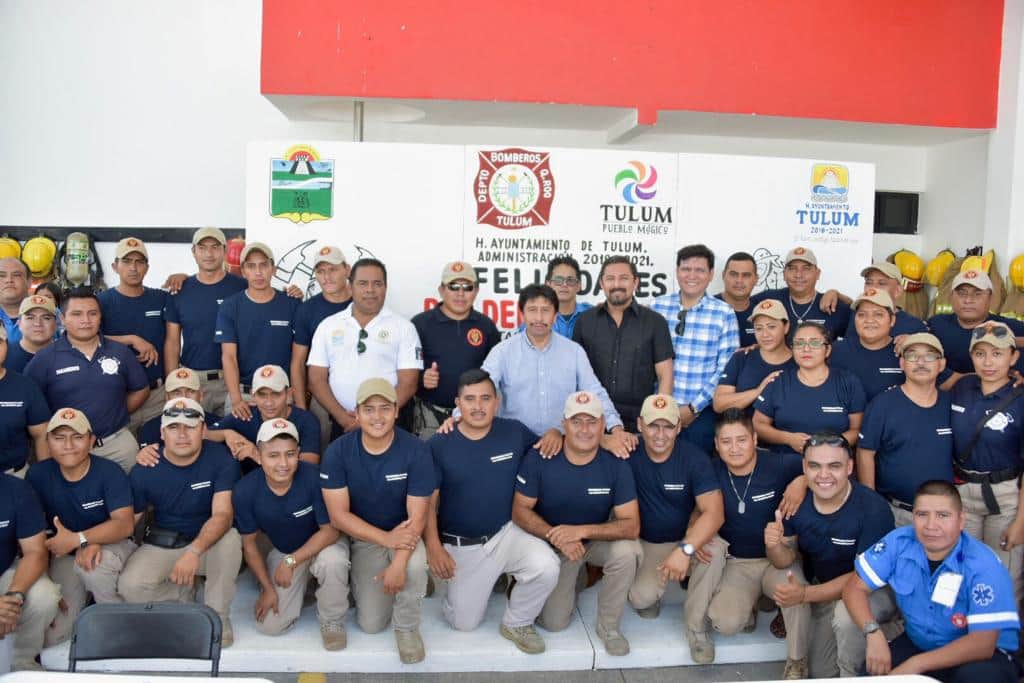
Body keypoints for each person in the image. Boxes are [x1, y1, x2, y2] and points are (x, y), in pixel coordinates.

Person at [424, 369, 559, 653]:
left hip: (506, 533)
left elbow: (547, 450)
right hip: (463, 545)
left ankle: (517, 622)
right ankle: (451, 586)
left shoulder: (513, 432)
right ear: (457, 404)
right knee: (464, 623)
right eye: (470, 399)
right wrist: (434, 548)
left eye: (485, 398)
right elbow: (427, 502)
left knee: (546, 565)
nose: (478, 406)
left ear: (496, 402)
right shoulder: (439, 443)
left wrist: (555, 432)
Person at [845, 480, 1020, 682]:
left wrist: (917, 664)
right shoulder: (899, 542)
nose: (930, 525)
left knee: (976, 678)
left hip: (980, 655)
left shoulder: (983, 565)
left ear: (961, 520)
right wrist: (873, 633)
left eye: (943, 515)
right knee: (870, 675)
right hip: (920, 643)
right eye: (922, 514)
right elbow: (854, 588)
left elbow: (982, 644)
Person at [512, 391, 642, 656]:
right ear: (563, 424)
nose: (585, 429)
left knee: (629, 552)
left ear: (603, 423)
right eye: (576, 421)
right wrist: (557, 536)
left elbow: (631, 526)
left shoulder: (616, 464)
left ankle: (609, 627)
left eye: (592, 421)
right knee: (554, 623)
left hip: (592, 541)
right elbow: (520, 511)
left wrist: (581, 532)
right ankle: (557, 578)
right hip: (553, 545)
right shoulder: (542, 456)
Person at [319, 378, 434, 664]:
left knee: (415, 565)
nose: (377, 417)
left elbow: (418, 516)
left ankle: (407, 625)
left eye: (385, 408)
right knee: (371, 624)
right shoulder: (338, 451)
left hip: (404, 533)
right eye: (368, 409)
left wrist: (398, 563)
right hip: (364, 537)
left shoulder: (416, 450)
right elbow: (338, 515)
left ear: (396, 411)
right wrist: (384, 540)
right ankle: (366, 585)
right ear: (356, 414)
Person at [764, 432, 896, 678]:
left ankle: (886, 637)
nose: (823, 475)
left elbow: (860, 580)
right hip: (825, 589)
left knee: (846, 618)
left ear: (849, 467)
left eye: (833, 466)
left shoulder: (873, 509)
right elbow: (784, 559)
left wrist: (804, 594)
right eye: (814, 466)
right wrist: (774, 545)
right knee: (820, 671)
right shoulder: (796, 502)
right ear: (804, 468)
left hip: (872, 590)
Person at [118, 398, 242, 647]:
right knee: (130, 587)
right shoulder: (145, 468)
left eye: (190, 426)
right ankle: (182, 594)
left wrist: (194, 552)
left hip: (207, 546)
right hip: (165, 543)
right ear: (162, 433)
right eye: (174, 427)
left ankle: (217, 616)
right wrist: (85, 540)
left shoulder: (221, 459)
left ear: (203, 430)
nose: (182, 434)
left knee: (230, 539)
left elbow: (223, 515)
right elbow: (128, 523)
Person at [700, 409, 807, 679]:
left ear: (755, 438)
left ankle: (797, 660)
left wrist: (803, 481)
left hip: (777, 558)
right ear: (716, 445)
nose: (734, 448)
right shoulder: (710, 470)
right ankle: (755, 602)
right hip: (738, 563)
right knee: (724, 623)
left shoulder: (779, 464)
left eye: (741, 440)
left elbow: (823, 466)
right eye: (726, 442)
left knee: (796, 592)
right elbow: (698, 509)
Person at [625, 394, 725, 664]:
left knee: (715, 548)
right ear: (640, 424)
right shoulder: (628, 454)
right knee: (641, 599)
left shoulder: (693, 457)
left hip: (686, 539)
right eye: (653, 425)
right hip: (651, 543)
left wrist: (687, 547)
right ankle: (662, 586)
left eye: (668, 426)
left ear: (679, 427)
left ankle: (697, 629)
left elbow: (714, 512)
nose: (660, 434)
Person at [233, 418, 349, 649]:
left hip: (322, 546)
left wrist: (291, 561)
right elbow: (249, 544)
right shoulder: (245, 490)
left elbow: (331, 532)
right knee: (270, 626)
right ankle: (309, 586)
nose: (283, 463)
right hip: (285, 549)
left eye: (289, 454)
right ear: (258, 455)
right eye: (273, 455)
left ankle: (332, 619)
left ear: (298, 453)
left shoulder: (315, 476)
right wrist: (267, 588)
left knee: (332, 562)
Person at [480, 283, 632, 457]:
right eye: (532, 310)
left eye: (545, 310)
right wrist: (458, 419)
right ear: (522, 314)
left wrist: (616, 427)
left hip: (562, 446)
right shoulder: (502, 351)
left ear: (555, 316)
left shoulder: (573, 351)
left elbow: (594, 391)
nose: (539, 317)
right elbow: (481, 389)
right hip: (514, 445)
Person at [25, 408, 135, 647]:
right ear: (48, 442)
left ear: (91, 441)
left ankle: (121, 631)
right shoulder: (37, 475)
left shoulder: (109, 471)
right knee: (55, 636)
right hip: (65, 553)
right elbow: (32, 536)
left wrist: (81, 539)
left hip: (109, 544)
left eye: (77, 437)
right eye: (59, 437)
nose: (68, 445)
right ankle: (85, 600)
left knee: (93, 569)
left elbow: (125, 524)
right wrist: (46, 580)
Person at [25, 287, 150, 472]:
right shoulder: (45, 359)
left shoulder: (120, 352)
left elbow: (141, 389)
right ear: (63, 319)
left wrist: (114, 412)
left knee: (132, 494)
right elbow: (29, 403)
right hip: (67, 449)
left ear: (100, 318)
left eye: (92, 313)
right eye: (77, 314)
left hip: (116, 443)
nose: (85, 320)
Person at [949, 321, 1024, 600]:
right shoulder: (962, 387)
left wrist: (1021, 521)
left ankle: (1002, 642)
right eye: (980, 354)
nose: (988, 362)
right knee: (963, 570)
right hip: (963, 494)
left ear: (1013, 357)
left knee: (1004, 574)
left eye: (997, 353)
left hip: (1005, 497)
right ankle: (969, 639)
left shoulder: (1020, 397)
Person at [308, 258, 422, 438]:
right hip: (342, 424)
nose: (370, 290)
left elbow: (408, 384)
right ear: (351, 286)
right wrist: (345, 419)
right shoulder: (328, 326)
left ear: (386, 287)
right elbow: (316, 379)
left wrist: (376, 418)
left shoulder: (404, 328)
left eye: (377, 283)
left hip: (388, 425)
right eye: (363, 283)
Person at [857, 333, 954, 526]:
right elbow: (865, 453)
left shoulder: (951, 404)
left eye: (929, 356)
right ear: (902, 363)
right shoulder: (882, 405)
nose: (920, 362)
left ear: (942, 364)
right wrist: (871, 505)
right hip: (897, 512)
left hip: (944, 514)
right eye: (912, 355)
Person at [652, 244, 739, 453]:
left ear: (710, 275)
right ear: (677, 271)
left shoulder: (723, 313)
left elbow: (726, 369)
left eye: (699, 270)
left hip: (701, 414)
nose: (692, 275)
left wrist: (693, 408)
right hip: (656, 411)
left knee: (696, 474)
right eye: (686, 269)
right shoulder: (657, 307)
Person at [573, 256, 675, 429]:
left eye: (624, 278)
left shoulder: (655, 322)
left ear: (636, 282)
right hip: (593, 418)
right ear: (601, 283)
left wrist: (657, 420)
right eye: (610, 279)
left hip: (640, 420)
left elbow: (665, 376)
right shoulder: (585, 321)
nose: (617, 284)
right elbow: (575, 374)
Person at [164, 227, 248, 414]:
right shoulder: (180, 290)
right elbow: (172, 343)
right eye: (202, 248)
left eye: (215, 247)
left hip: (233, 382)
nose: (209, 254)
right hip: (193, 382)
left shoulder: (242, 287)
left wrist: (293, 291)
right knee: (192, 438)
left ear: (225, 250)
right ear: (193, 251)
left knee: (230, 438)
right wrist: (173, 384)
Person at [411, 261, 500, 439]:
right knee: (428, 465)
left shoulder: (486, 326)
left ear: (476, 291)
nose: (460, 293)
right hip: (430, 417)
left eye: (467, 287)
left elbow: (498, 375)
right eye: (453, 286)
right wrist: (422, 379)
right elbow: (403, 371)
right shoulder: (420, 324)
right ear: (442, 290)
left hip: (474, 417)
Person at [753, 322, 866, 456]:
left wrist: (827, 446)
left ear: (827, 350)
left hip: (831, 462)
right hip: (784, 463)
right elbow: (758, 424)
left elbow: (857, 429)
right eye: (799, 343)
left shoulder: (848, 382)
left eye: (814, 343)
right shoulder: (779, 382)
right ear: (793, 349)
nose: (806, 349)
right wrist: (788, 439)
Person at [215, 242, 300, 417]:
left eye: (263, 265)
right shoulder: (230, 306)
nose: (258, 272)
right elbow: (229, 356)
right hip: (244, 394)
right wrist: (237, 399)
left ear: (273, 269)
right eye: (251, 266)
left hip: (281, 395)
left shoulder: (291, 303)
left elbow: (298, 357)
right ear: (243, 271)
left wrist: (297, 398)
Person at [98, 237, 170, 430]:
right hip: (118, 396)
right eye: (127, 261)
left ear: (147, 267)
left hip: (157, 396)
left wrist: (182, 277)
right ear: (115, 266)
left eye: (139, 262)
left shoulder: (160, 298)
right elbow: (87, 339)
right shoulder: (101, 301)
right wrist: (131, 339)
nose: (133, 268)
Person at [289, 244, 351, 449]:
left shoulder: (364, 304)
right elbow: (298, 362)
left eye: (333, 269)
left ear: (347, 270)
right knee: (323, 458)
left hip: (359, 396)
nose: (327, 277)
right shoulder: (307, 310)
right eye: (321, 271)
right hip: (322, 400)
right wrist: (300, 407)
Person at [208, 364, 321, 470]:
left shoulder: (306, 420)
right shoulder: (245, 415)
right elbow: (202, 436)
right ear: (253, 395)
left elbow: (308, 467)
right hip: (250, 485)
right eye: (262, 395)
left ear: (288, 393)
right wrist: (226, 434)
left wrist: (257, 455)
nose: (269, 402)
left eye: (276, 394)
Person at [0, 471, 59, 671]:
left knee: (44, 595)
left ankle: (22, 662)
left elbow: (35, 551)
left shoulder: (15, 489)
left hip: (4, 571)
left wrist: (13, 597)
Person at [929, 270, 1024, 387]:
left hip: (993, 401)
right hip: (944, 397)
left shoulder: (1010, 328)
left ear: (990, 298)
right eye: (962, 293)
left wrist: (1014, 342)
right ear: (951, 296)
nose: (968, 300)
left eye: (977, 294)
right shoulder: (936, 324)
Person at [713, 299, 795, 416]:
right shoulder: (741, 358)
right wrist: (758, 391)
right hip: (743, 433)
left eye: (771, 327)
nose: (765, 334)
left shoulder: (799, 362)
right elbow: (719, 404)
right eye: (759, 328)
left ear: (786, 327)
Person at [752, 247, 851, 341]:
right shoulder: (768, 299)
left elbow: (859, 333)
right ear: (784, 274)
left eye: (806, 268)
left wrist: (838, 294)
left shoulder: (832, 305)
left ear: (818, 273)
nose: (798, 275)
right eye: (792, 268)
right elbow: (740, 306)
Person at [829, 289, 905, 401]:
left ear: (892, 320)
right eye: (862, 314)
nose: (869, 320)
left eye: (878, 314)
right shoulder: (836, 350)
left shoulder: (904, 352)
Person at [0, 325, 49, 477]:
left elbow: (41, 435)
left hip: (15, 476)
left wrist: (45, 478)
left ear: (6, 345)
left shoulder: (24, 386)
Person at [136, 367, 221, 448]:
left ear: (201, 395)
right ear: (167, 398)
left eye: (191, 391)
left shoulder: (219, 425)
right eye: (177, 393)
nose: (184, 397)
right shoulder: (149, 430)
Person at [842, 261, 928, 339]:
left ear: (898, 291)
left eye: (882, 283)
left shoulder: (915, 326)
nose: (873, 287)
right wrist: (834, 293)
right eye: (869, 282)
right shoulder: (853, 314)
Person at [716, 251, 760, 347]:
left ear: (756, 279)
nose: (739, 280)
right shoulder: (707, 309)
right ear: (723, 275)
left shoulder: (762, 313)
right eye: (733, 274)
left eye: (746, 275)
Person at [544, 255, 592, 339]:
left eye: (570, 280)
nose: (564, 285)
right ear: (548, 285)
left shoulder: (593, 315)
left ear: (578, 286)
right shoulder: (537, 318)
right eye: (558, 280)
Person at [8, 295, 58, 373]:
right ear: (19, 323)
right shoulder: (4, 355)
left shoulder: (68, 356)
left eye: (46, 318)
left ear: (55, 324)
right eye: (30, 318)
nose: (38, 323)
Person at [0, 257, 31, 344]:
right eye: (1, 275)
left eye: (16, 275)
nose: (9, 280)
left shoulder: (51, 314)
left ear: (29, 282)